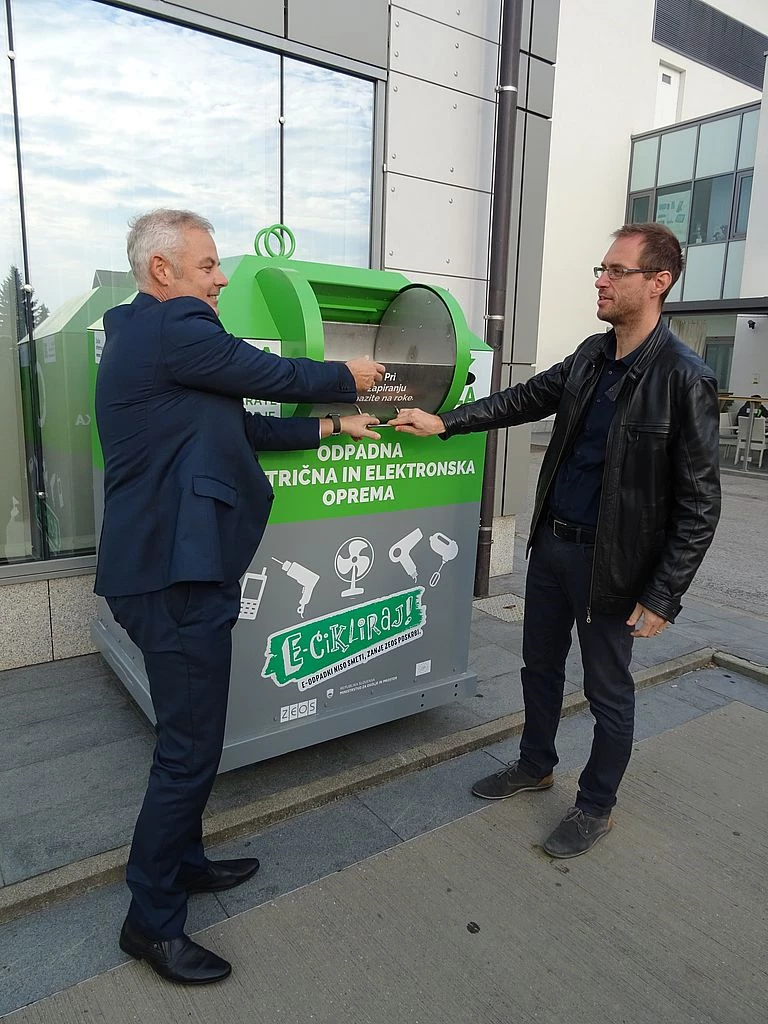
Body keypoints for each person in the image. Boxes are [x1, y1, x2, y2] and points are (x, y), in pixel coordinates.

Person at [95, 209, 385, 985]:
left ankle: (182, 860)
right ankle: (150, 922)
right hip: (174, 576)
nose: (221, 279)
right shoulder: (173, 327)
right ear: (164, 272)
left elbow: (239, 425)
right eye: (209, 265)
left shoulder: (147, 340)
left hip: (170, 569)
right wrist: (346, 375)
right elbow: (275, 377)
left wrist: (328, 427)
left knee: (189, 745)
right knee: (189, 753)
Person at [391, 222, 720, 860]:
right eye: (600, 268)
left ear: (659, 282)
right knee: (538, 667)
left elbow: (700, 502)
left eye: (615, 271)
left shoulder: (684, 377)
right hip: (553, 550)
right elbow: (521, 399)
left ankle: (596, 804)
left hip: (613, 567)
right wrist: (444, 423)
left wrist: (663, 593)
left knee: (606, 689)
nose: (600, 280)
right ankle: (534, 764)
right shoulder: (591, 357)